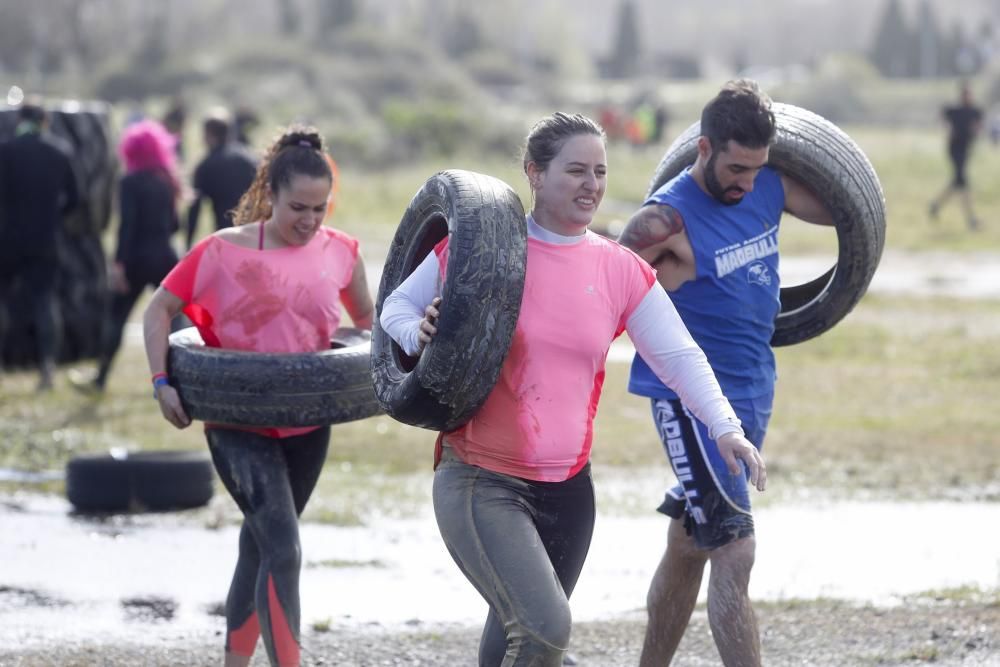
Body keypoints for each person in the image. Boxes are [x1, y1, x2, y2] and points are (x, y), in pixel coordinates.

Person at [380, 111, 764, 666]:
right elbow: (397, 306)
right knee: (544, 629)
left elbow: (679, 357)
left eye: (600, 172)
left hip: (568, 492)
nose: (592, 185)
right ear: (535, 173)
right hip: (481, 482)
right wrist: (418, 333)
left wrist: (725, 426)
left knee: (514, 641)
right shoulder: (486, 253)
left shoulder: (619, 269)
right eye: (576, 170)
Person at [616, 79, 832, 667]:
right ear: (704, 149)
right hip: (690, 399)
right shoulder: (666, 221)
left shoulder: (765, 188)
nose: (745, 182)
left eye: (757, 168)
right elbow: (605, 294)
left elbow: (846, 207)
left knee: (692, 542)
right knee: (735, 549)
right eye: (736, 167)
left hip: (754, 385)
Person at [142, 125, 374, 667]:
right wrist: (161, 383)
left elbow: (368, 322)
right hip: (236, 425)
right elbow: (158, 312)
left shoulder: (341, 253)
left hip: (308, 425)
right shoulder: (221, 252)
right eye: (298, 207)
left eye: (320, 208)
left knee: (260, 546)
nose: (310, 221)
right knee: (285, 550)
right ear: (270, 193)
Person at [70, 120, 182, 393]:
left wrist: (118, 265)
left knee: (117, 317)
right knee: (176, 322)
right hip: (166, 257)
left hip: (135, 259)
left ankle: (100, 378)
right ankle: (181, 379)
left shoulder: (129, 182)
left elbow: (127, 227)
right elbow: (175, 225)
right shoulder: (167, 180)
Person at [0, 101, 79, 390]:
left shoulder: (5, 151)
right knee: (45, 302)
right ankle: (47, 369)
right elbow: (75, 198)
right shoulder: (60, 151)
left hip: (6, 238)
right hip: (46, 239)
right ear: (45, 121)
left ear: (20, 119)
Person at [185, 110, 258, 248]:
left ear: (208, 134)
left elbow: (194, 210)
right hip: (253, 235)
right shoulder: (250, 158)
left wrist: (188, 244)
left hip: (225, 236)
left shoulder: (205, 166)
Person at [928, 82, 983, 230]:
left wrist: (976, 130)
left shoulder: (974, 111)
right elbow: (942, 116)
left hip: (965, 151)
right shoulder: (955, 110)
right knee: (963, 181)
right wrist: (947, 128)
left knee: (957, 182)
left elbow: (979, 126)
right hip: (954, 150)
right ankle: (971, 219)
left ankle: (935, 205)